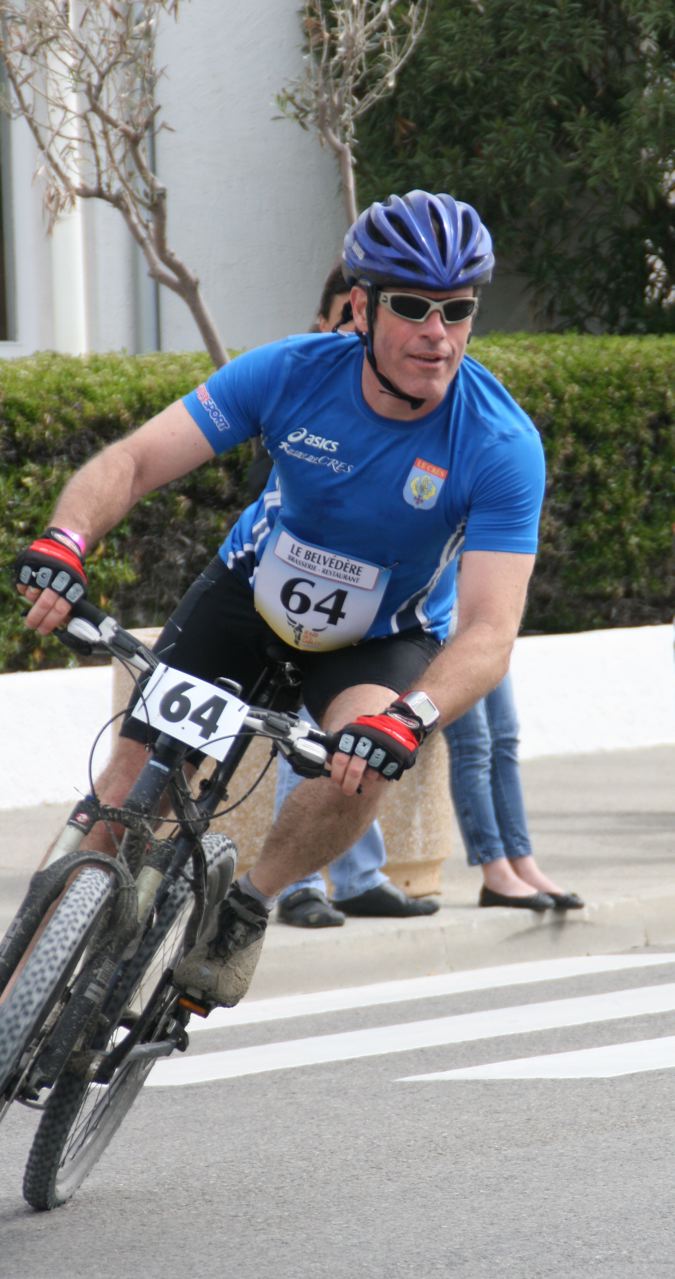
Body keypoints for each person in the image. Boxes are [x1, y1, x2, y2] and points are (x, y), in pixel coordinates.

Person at [14, 189, 545, 1010]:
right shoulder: (292, 372)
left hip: (379, 636)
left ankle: (249, 902)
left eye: (457, 309)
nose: (436, 333)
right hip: (247, 597)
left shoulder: (499, 443)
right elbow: (136, 460)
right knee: (124, 790)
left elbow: (488, 629)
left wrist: (406, 719)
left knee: (361, 766)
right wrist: (65, 540)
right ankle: (18, 995)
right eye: (412, 307)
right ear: (361, 308)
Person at [260, 264, 440, 928]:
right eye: (348, 316)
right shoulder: (300, 389)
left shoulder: (425, 410)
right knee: (308, 733)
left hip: (385, 610)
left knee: (367, 735)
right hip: (291, 600)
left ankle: (360, 874)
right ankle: (299, 884)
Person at [444, 672, 584, 910]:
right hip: (444, 650)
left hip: (486, 645)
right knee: (472, 744)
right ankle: (495, 871)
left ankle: (522, 864)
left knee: (504, 741)